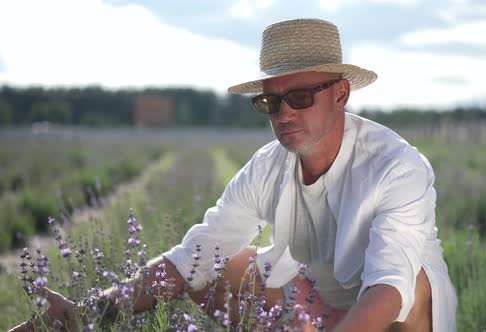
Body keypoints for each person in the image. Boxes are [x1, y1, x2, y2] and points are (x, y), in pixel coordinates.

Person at [11, 18, 456, 332]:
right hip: (321, 307)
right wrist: (87, 315)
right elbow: (192, 257)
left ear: (340, 94)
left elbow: (388, 288)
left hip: (389, 318)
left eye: (300, 96)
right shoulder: (268, 166)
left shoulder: (396, 166)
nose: (283, 113)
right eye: (270, 102)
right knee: (222, 266)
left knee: (411, 280)